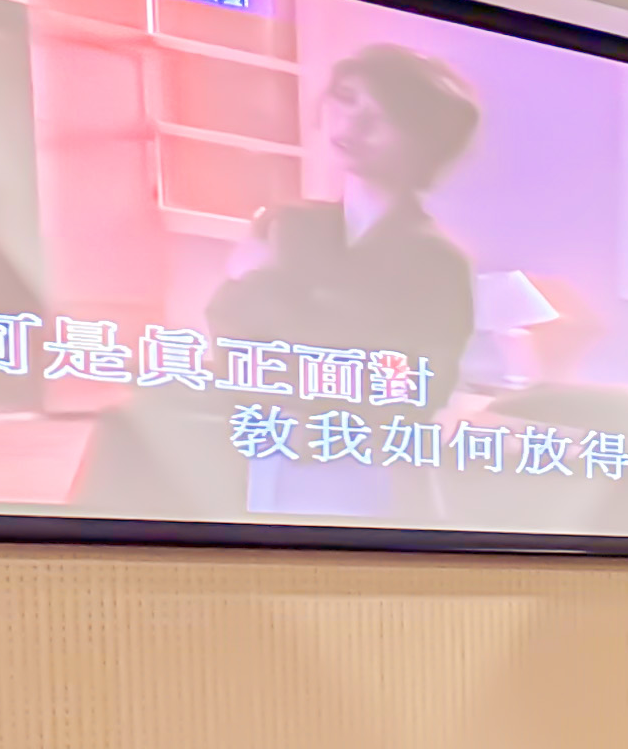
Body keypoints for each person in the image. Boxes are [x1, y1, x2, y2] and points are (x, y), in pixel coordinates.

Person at [74, 42, 484, 522]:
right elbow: (232, 332)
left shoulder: (437, 260)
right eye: (347, 99)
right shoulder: (288, 224)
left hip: (357, 456)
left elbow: (414, 390)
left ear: (426, 141)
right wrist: (310, 320)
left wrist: (270, 290)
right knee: (134, 423)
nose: (354, 123)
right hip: (264, 429)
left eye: (384, 114)